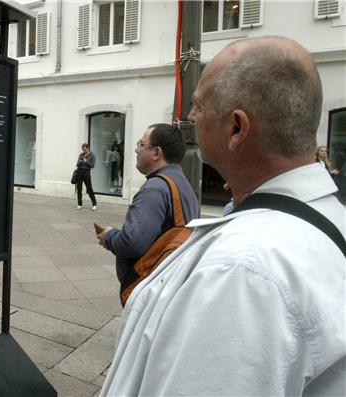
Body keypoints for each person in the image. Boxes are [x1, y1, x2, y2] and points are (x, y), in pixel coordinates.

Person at [101, 36, 345, 396]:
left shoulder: (241, 270)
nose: (190, 117)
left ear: (236, 128)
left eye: (199, 105)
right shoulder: (327, 218)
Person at [96, 123, 199, 295]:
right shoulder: (183, 182)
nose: (137, 150)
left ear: (157, 153)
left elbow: (132, 242)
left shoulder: (155, 188)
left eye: (141, 144)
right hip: (172, 281)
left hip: (152, 286)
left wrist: (110, 236)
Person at [75, 143, 97, 210]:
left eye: (84, 149)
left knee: (89, 189)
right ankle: (79, 204)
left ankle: (94, 204)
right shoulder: (81, 155)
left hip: (86, 173)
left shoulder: (92, 155)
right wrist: (79, 162)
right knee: (79, 189)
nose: (83, 151)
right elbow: (77, 164)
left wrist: (86, 161)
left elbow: (92, 165)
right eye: (83, 149)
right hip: (79, 172)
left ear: (88, 148)